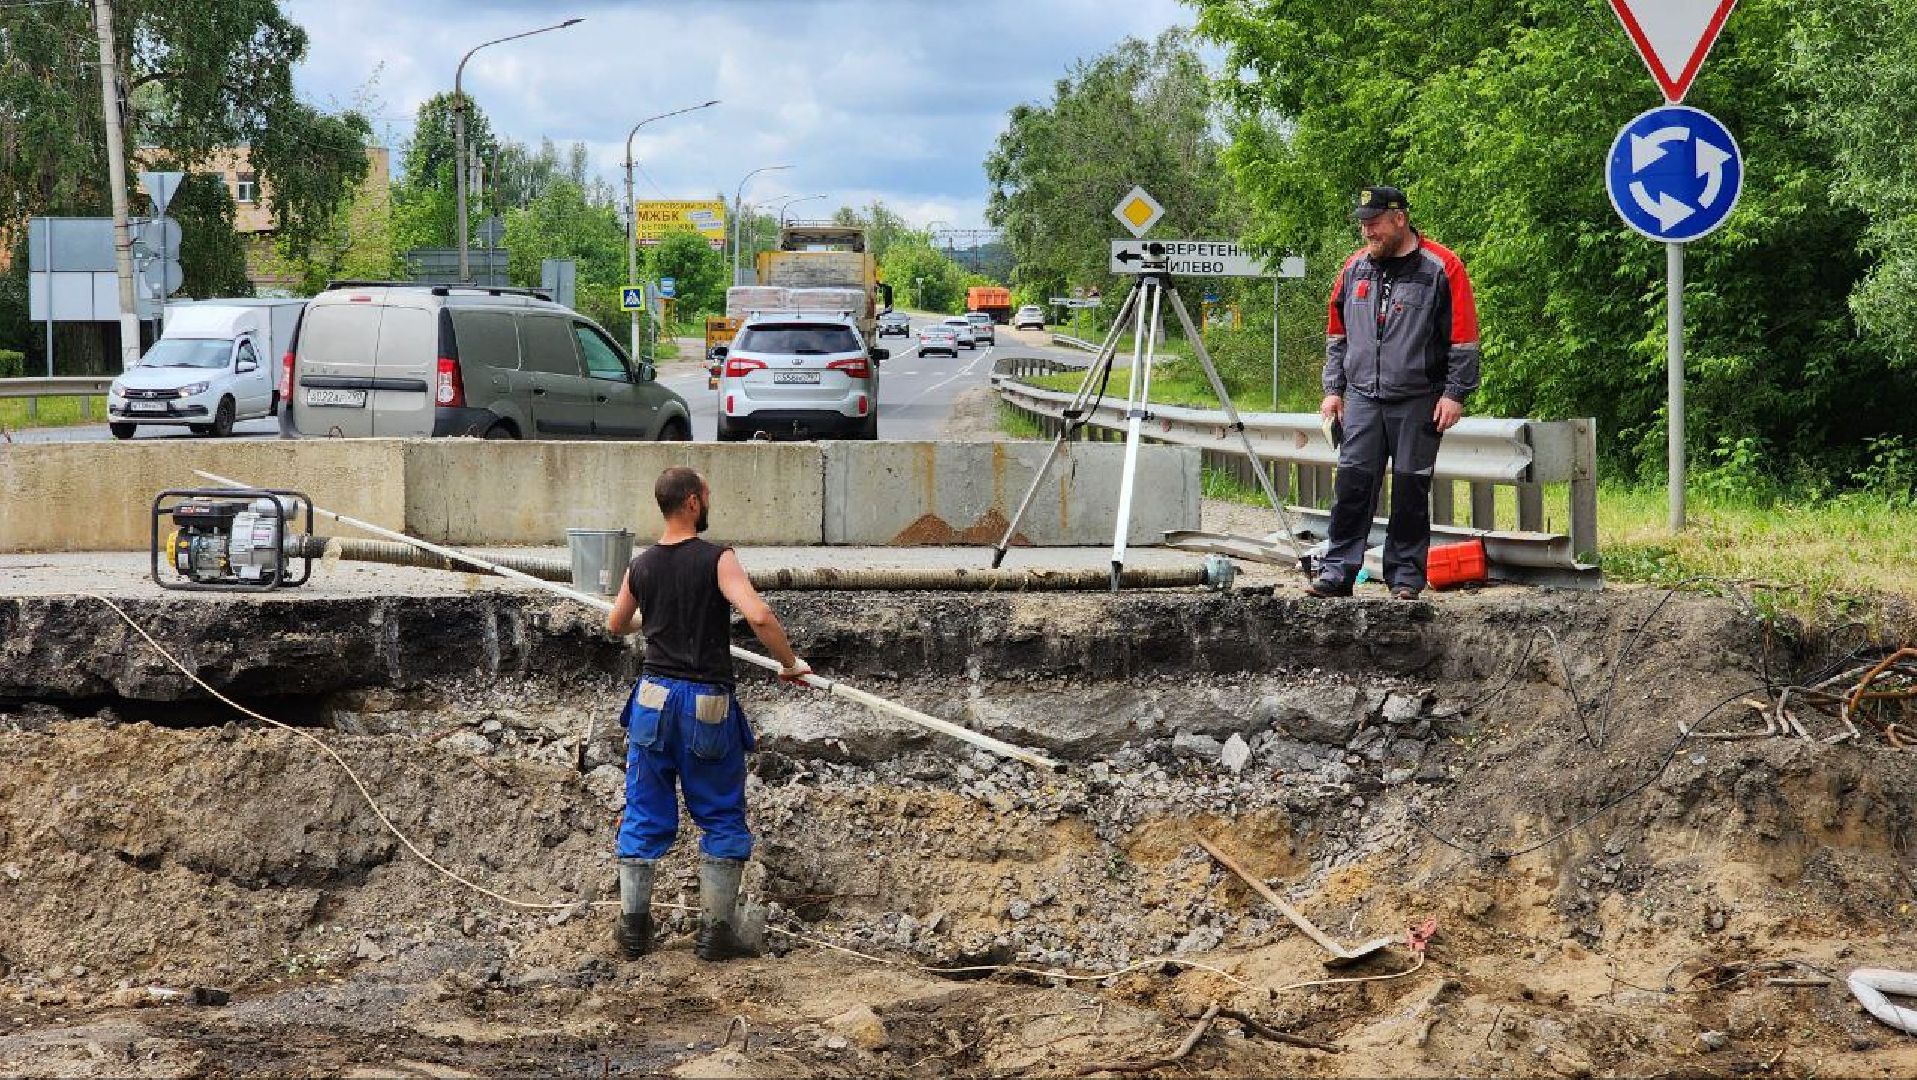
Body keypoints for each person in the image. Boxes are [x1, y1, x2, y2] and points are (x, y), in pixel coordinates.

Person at [605, 466, 811, 961]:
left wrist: (656, 620)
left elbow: (616, 624)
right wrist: (790, 663)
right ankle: (716, 933)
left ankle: (633, 930)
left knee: (644, 810)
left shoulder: (641, 565)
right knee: (719, 813)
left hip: (652, 700)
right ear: (693, 502)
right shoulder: (719, 558)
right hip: (705, 705)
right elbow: (758, 615)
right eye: (707, 494)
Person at [1310, 185, 1481, 600]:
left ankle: (1405, 578)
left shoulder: (1443, 268)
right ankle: (1337, 572)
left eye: (1375, 224)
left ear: (1399, 219)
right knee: (1352, 487)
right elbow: (1337, 335)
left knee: (1409, 491)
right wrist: (1333, 389)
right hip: (1362, 397)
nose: (1368, 232)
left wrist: (1455, 393)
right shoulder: (1354, 269)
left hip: (1419, 399)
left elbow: (1463, 338)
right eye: (1363, 225)